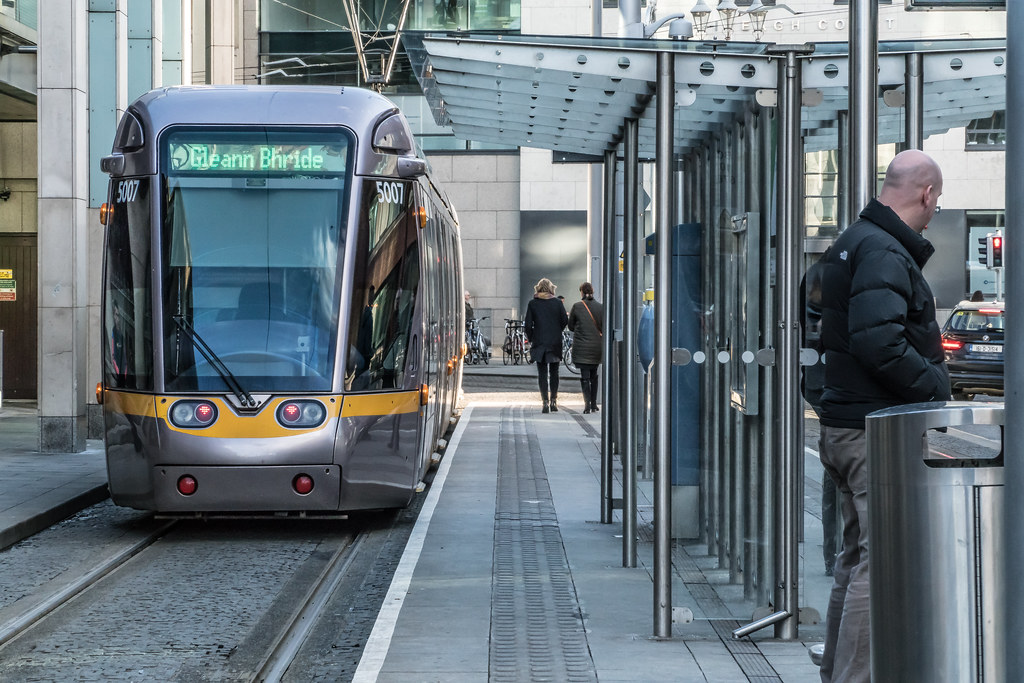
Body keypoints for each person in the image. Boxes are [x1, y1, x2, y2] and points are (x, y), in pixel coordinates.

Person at [817, 149, 950, 683]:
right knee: (878, 563)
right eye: (937, 201)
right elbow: (881, 344)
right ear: (927, 194)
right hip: (874, 428)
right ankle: (852, 678)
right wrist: (936, 385)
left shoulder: (853, 240)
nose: (936, 211)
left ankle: (836, 671)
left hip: (845, 423)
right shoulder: (884, 250)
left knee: (855, 559)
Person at [801, 251, 840, 577]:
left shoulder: (816, 274)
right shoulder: (830, 276)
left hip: (822, 384)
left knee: (835, 471)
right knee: (837, 473)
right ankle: (836, 553)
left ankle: (835, 553)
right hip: (832, 386)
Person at [524, 278, 568, 413]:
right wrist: (557, 330)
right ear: (551, 289)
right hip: (554, 342)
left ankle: (545, 402)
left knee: (542, 373)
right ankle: (554, 400)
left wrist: (532, 338)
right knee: (554, 372)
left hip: (539, 342)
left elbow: (528, 325)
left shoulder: (533, 303)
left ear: (538, 288)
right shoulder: (557, 303)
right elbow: (564, 320)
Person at [568, 282, 604, 414]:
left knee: (585, 377)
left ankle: (587, 404)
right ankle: (594, 404)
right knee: (594, 375)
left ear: (582, 292)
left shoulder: (577, 307)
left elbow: (570, 326)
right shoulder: (600, 307)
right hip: (596, 347)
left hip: (582, 347)